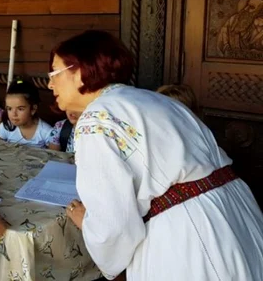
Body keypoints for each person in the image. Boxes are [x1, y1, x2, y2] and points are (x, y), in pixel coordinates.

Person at [49, 30, 263, 280]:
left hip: (189, 239)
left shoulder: (95, 119)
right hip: (237, 214)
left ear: (81, 70)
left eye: (54, 73)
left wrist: (89, 225)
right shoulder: (154, 100)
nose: (50, 84)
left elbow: (114, 225)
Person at [0, 79, 53, 148]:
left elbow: (54, 155)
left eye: (20, 109)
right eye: (9, 108)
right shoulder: (6, 127)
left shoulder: (45, 132)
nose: (14, 114)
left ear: (33, 109)